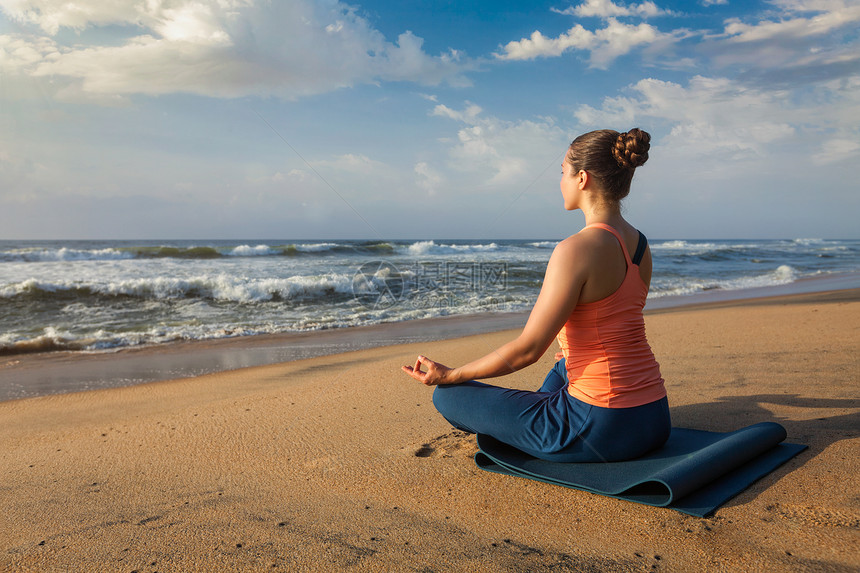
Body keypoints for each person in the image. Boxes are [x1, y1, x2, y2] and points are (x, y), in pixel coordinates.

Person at [401, 128, 670, 463]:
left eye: (562, 172)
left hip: (604, 428)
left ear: (582, 178)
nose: (560, 181)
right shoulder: (641, 245)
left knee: (448, 397)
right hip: (655, 417)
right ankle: (543, 414)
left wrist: (450, 374)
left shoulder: (575, 249)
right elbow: (614, 321)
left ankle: (543, 426)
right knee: (562, 369)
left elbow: (527, 351)